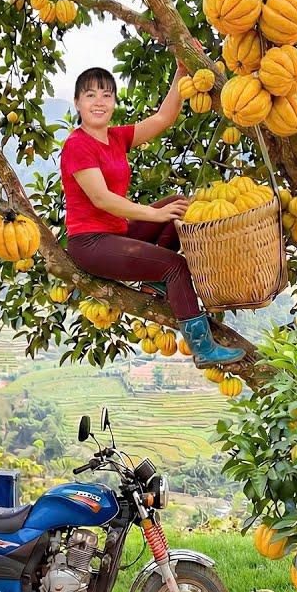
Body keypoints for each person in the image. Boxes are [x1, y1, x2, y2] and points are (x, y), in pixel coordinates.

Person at [59, 65, 245, 369]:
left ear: (114, 103)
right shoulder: (77, 145)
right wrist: (153, 214)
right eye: (90, 95)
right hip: (91, 243)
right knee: (175, 266)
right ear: (78, 102)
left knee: (177, 206)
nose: (99, 102)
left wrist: (181, 72)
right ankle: (203, 348)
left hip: (117, 234)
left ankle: (150, 284)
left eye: (106, 95)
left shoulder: (116, 138)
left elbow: (163, 118)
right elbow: (101, 199)